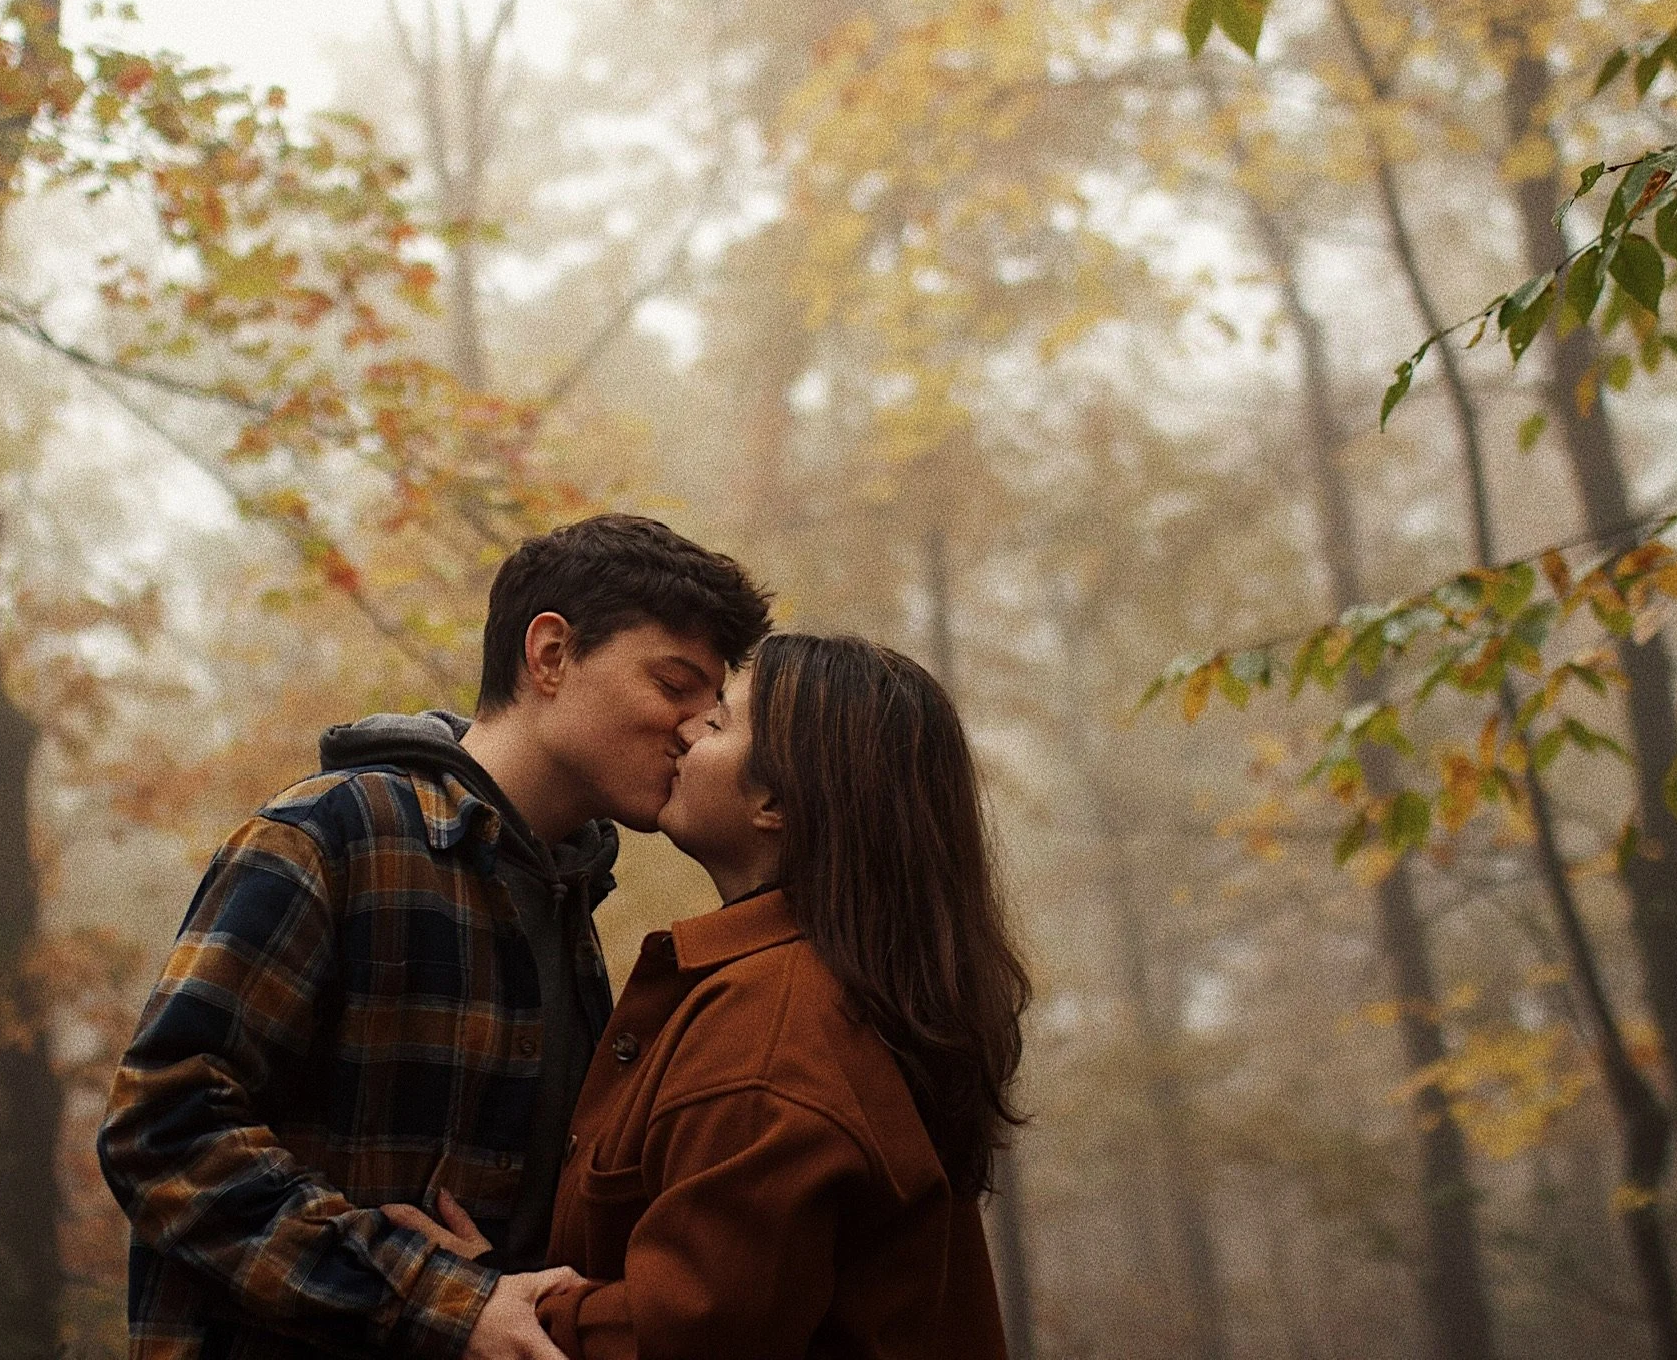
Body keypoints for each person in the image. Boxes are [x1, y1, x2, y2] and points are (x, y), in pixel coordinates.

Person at [97, 514, 772, 1360]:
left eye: (712, 704)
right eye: (675, 684)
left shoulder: (567, 907)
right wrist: (431, 1293)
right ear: (551, 655)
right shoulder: (332, 835)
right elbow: (160, 1129)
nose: (693, 727)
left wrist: (486, 1286)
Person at [392, 632, 1029, 1359]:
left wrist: (487, 1303)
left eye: (719, 721)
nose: (687, 728)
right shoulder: (823, 994)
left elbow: (690, 1335)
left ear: (776, 802)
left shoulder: (771, 1032)